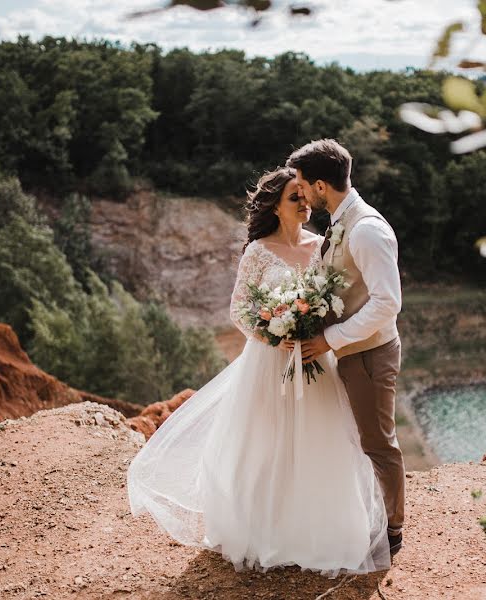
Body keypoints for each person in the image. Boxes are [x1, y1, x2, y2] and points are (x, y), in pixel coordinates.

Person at [126, 166, 391, 578]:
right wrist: (274, 335)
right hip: (268, 364)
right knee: (266, 446)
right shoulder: (258, 251)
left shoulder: (322, 246)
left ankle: (316, 532)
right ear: (275, 206)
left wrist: (313, 330)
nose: (304, 204)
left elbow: (332, 300)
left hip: (314, 358)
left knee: (320, 444)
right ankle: (264, 530)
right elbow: (239, 311)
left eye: (304, 196)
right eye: (294, 198)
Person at [287, 139, 406, 557]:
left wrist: (328, 340)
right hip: (351, 352)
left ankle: (392, 532)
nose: (299, 191)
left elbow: (387, 303)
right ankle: (370, 517)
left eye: (302, 183)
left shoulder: (367, 230)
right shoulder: (341, 220)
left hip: (370, 354)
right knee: (361, 440)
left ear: (321, 185)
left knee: (378, 443)